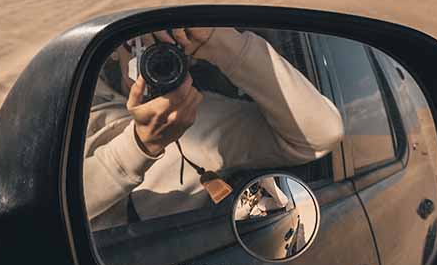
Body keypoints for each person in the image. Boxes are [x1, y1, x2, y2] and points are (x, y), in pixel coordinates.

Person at [83, 26, 344, 229]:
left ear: (189, 56)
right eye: (136, 42)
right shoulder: (75, 93)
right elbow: (49, 207)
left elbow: (323, 134)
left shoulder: (206, 117)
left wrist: (222, 45)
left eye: (167, 46)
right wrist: (137, 146)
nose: (154, 57)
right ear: (116, 45)